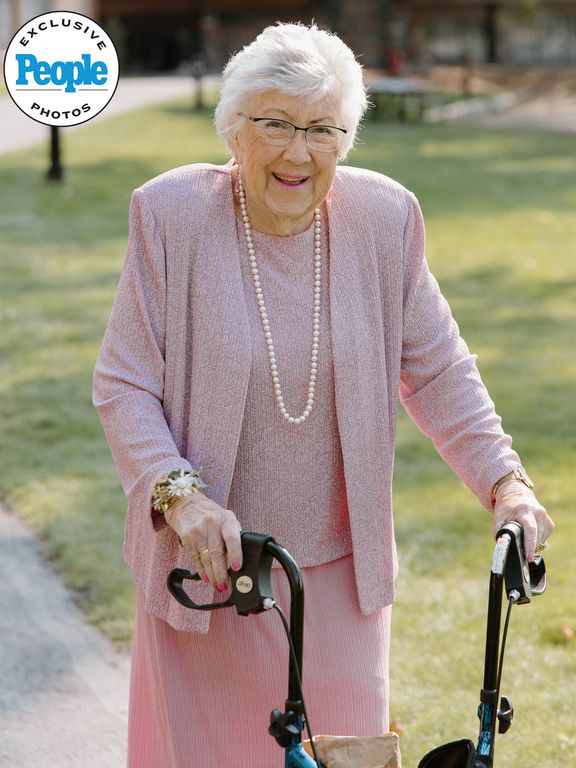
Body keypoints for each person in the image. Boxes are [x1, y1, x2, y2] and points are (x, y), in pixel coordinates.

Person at [93, 22, 554, 768]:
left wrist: (506, 482)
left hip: (339, 582)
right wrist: (181, 497)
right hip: (210, 575)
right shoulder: (170, 215)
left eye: (320, 129)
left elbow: (439, 371)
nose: (296, 151)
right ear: (234, 130)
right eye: (273, 124)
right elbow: (123, 381)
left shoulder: (385, 220)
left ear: (346, 137)